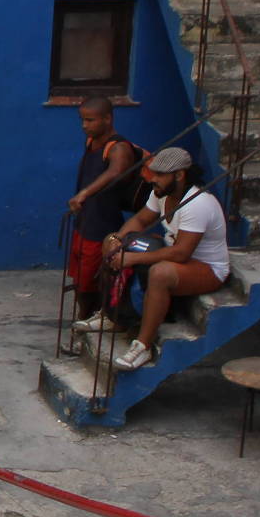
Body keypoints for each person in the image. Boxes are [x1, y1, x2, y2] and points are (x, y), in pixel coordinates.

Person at [82, 145, 229, 372]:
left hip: (207, 268)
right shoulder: (161, 193)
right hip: (175, 255)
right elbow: (140, 221)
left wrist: (132, 258)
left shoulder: (197, 203)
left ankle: (143, 346)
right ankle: (113, 314)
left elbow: (182, 253)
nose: (152, 179)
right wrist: (117, 239)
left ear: (179, 175)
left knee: (159, 273)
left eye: (160, 175)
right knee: (112, 244)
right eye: (153, 173)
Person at [64, 96, 143, 320]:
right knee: (79, 279)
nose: (84, 125)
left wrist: (85, 193)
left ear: (107, 119)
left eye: (90, 120)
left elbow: (116, 171)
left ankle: (90, 318)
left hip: (102, 225)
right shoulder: (92, 143)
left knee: (92, 281)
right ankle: (84, 317)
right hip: (85, 221)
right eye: (82, 120)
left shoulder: (118, 148)